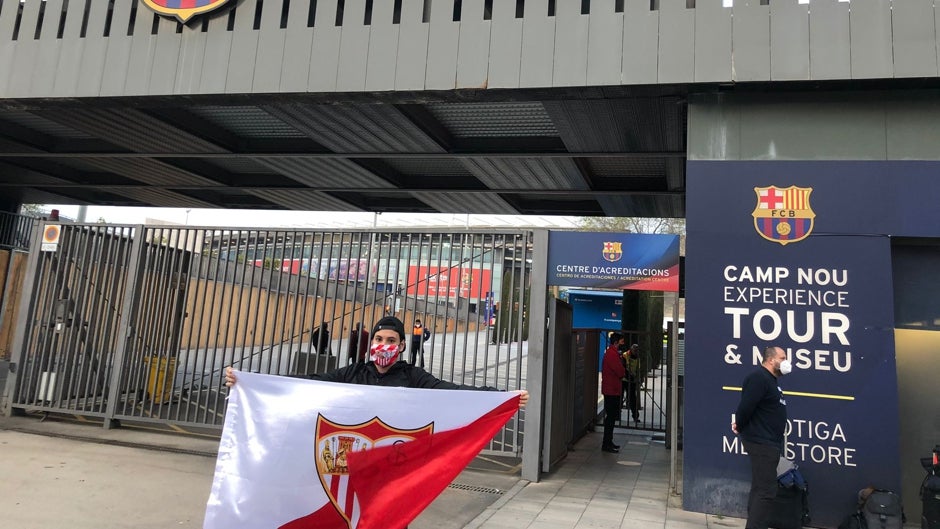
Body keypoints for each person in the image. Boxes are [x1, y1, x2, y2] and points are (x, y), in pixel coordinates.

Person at [227, 315, 528, 406]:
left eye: (391, 341)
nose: (384, 345)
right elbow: (309, 383)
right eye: (379, 339)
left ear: (400, 346)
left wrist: (500, 397)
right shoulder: (354, 371)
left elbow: (451, 390)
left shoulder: (413, 376)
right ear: (372, 343)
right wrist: (250, 379)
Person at [732, 345, 791, 529]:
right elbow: (746, 407)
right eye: (782, 358)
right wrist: (739, 425)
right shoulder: (759, 378)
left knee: (760, 488)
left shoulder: (771, 382)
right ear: (771, 359)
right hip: (761, 442)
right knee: (766, 490)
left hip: (769, 443)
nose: (786, 362)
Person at [600, 331, 626, 453]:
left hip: (612, 389)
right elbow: (620, 371)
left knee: (610, 417)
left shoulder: (612, 353)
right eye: (621, 342)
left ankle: (609, 441)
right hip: (612, 390)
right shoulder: (612, 354)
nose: (622, 344)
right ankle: (606, 443)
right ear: (616, 342)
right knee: (610, 418)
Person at [622, 344, 641, 425]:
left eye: (637, 351)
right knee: (620, 397)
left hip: (632, 381)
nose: (635, 352)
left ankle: (635, 416)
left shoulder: (637, 358)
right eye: (634, 350)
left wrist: (637, 378)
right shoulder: (625, 355)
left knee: (633, 399)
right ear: (631, 349)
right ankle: (617, 415)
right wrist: (630, 376)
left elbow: (638, 369)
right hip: (623, 379)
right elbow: (623, 367)